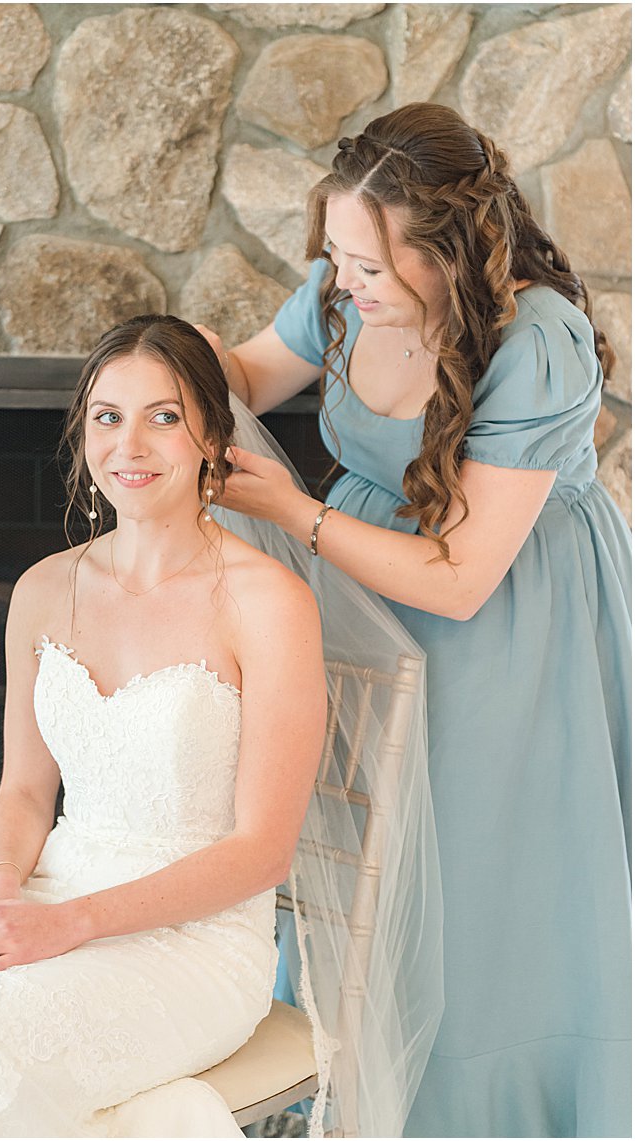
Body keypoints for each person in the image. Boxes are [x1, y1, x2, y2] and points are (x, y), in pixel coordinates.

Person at [199, 102, 632, 1137]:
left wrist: (291, 510)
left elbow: (456, 577)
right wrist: (173, 368)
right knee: (362, 850)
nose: (343, 280)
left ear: (450, 256)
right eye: (338, 254)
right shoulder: (341, 290)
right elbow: (252, 372)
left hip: (506, 621)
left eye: (371, 265)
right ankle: (359, 1078)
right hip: (352, 586)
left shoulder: (538, 343)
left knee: (482, 877)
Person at [0, 315, 328, 1137]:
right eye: (108, 416)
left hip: (196, 946)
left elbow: (263, 850)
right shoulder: (44, 589)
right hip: (47, 894)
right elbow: (22, 790)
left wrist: (66, 925)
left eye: (164, 415)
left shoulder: (269, 603)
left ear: (211, 437)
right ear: (83, 435)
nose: (132, 443)